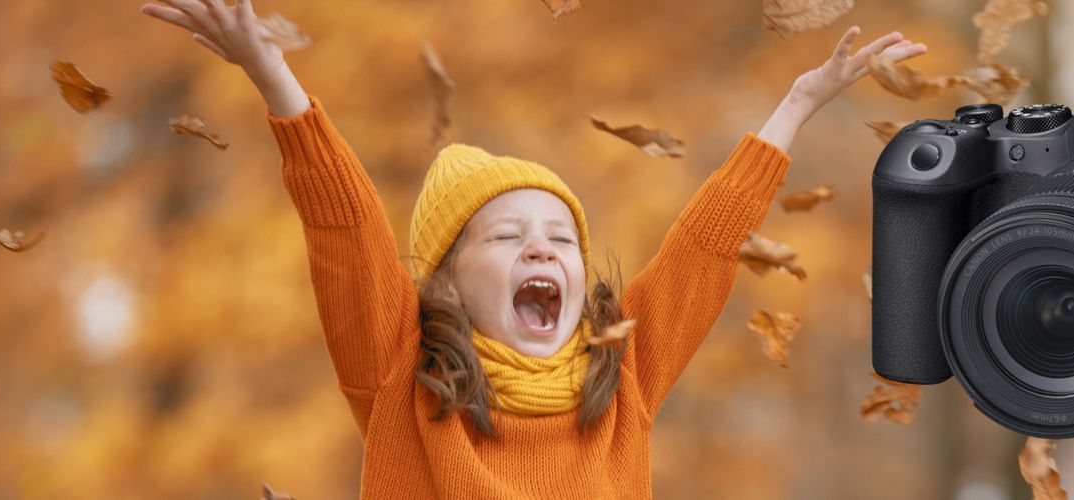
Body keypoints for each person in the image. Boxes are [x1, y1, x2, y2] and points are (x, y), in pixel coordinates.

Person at [141, 0, 927, 497]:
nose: (543, 252)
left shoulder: (626, 373)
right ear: (445, 285)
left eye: (561, 239)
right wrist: (272, 73)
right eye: (509, 237)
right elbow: (342, 228)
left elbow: (706, 247)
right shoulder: (398, 370)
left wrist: (794, 105)